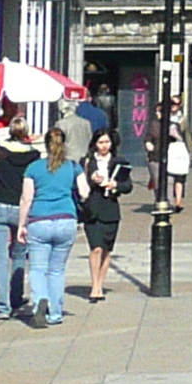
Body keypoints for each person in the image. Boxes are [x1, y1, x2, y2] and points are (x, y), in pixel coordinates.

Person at [21, 130, 82, 325]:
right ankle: (55, 313)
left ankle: (40, 301)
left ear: (46, 145)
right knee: (57, 270)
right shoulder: (73, 167)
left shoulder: (33, 168)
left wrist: (22, 225)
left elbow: (26, 199)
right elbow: (85, 192)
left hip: (39, 220)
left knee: (38, 269)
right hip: (66, 219)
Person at [0, 116, 40, 316]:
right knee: (19, 255)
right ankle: (16, 298)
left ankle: (2, 305)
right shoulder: (34, 155)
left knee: (0, 257)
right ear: (26, 132)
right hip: (22, 208)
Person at [77, 130, 132, 304]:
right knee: (96, 248)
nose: (104, 146)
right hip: (92, 208)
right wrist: (92, 178)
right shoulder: (86, 162)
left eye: (107, 142)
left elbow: (128, 186)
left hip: (110, 209)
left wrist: (114, 185)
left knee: (107, 249)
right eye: (100, 142)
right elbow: (79, 181)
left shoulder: (119, 162)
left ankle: (100, 284)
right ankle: (94, 286)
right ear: (95, 144)